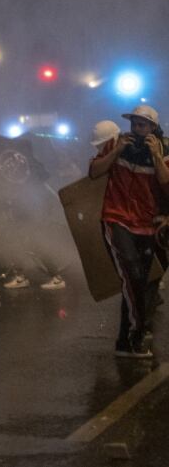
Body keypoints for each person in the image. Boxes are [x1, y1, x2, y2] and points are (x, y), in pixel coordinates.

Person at [89, 105, 169, 358]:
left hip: (147, 225)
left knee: (138, 282)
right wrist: (118, 151)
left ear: (153, 128)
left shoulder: (164, 151)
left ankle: (125, 340)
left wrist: (156, 157)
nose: (137, 129)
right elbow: (94, 171)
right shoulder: (116, 144)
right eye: (134, 124)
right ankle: (136, 336)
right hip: (117, 220)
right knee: (132, 272)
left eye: (143, 125)